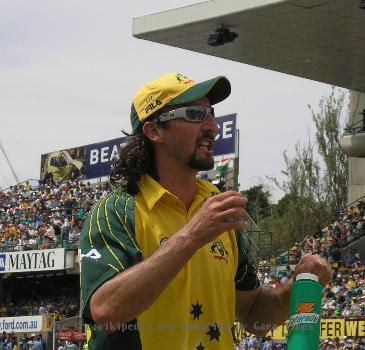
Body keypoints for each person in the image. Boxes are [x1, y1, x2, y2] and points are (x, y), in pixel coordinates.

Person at [79, 72, 332, 349]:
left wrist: (295, 289)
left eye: (211, 113)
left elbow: (251, 313)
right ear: (154, 131)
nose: (213, 126)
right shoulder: (117, 209)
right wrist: (192, 236)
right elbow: (106, 311)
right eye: (196, 114)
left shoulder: (218, 206)